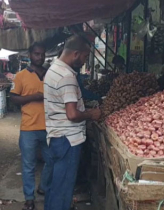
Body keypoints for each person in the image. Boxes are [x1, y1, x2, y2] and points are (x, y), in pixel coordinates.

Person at [43, 35, 101, 210]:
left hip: (56, 136)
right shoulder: (66, 76)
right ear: (76, 54)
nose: (85, 61)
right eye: (84, 56)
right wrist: (92, 114)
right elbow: (72, 114)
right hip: (67, 139)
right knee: (63, 190)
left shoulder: (53, 70)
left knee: (55, 187)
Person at [10, 42, 53, 210]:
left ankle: (43, 187)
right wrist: (34, 97)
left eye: (42, 54)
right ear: (30, 54)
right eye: (36, 54)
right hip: (28, 127)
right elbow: (13, 98)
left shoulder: (50, 74)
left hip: (50, 127)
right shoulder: (20, 76)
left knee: (52, 161)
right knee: (28, 165)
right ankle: (29, 198)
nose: (40, 57)